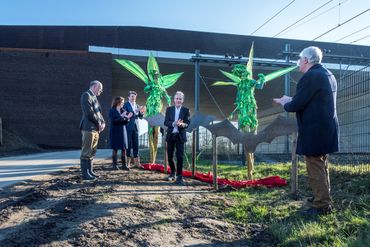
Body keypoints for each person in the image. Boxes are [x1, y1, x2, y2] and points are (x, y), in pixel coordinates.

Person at [273, 46, 339, 215]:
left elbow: (296, 105)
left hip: (314, 130)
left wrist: (285, 102)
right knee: (322, 164)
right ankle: (322, 198)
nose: (298, 63)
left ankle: (322, 205)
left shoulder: (310, 77)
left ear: (306, 60)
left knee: (314, 165)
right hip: (326, 127)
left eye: (299, 59)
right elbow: (311, 99)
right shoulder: (327, 74)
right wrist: (292, 99)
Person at [79, 80, 105, 180]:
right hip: (88, 128)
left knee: (92, 151)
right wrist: (98, 122)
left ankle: (90, 171)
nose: (101, 91)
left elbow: (99, 113)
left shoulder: (94, 97)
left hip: (96, 129)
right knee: (86, 151)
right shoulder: (86, 95)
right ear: (94, 86)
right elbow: (89, 112)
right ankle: (85, 174)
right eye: (100, 88)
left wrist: (103, 122)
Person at [164, 91, 190, 185]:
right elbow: (166, 122)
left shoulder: (186, 110)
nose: (178, 100)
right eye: (177, 98)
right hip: (171, 135)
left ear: (182, 100)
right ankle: (172, 173)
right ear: (174, 100)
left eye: (180, 99)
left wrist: (182, 124)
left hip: (180, 136)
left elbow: (187, 123)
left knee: (180, 157)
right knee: (170, 157)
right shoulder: (169, 109)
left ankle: (179, 176)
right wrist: (173, 123)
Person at [109, 96, 133, 170]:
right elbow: (113, 121)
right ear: (117, 102)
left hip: (123, 131)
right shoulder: (112, 110)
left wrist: (128, 118)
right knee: (115, 148)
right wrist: (122, 116)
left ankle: (124, 165)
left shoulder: (123, 110)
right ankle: (114, 165)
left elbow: (125, 121)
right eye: (122, 102)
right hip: (115, 131)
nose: (123, 103)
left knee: (124, 148)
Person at [123, 91, 146, 167]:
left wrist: (141, 112)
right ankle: (128, 163)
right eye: (132, 96)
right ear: (128, 97)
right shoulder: (125, 105)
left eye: (134, 96)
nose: (133, 98)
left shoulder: (137, 105)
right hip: (128, 126)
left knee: (136, 144)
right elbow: (125, 115)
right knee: (128, 144)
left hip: (136, 127)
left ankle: (137, 163)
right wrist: (134, 112)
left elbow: (140, 117)